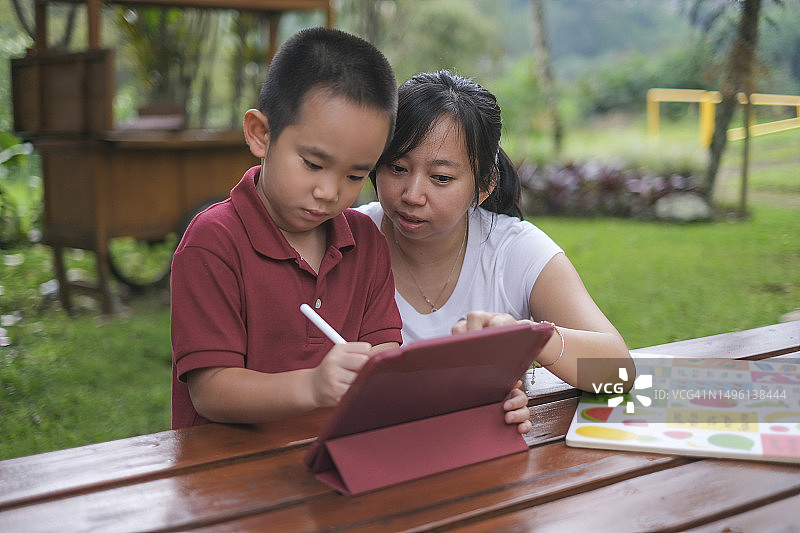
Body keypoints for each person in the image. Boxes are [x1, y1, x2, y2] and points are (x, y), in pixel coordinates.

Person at [169, 28, 403, 429]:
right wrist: (312, 387)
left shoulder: (364, 240)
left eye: (354, 175)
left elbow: (384, 354)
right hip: (229, 474)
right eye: (313, 164)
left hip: (333, 460)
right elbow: (211, 390)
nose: (328, 191)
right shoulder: (214, 241)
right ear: (261, 134)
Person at [357, 70, 634, 397]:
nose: (412, 195)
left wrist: (528, 338)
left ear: (484, 186)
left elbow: (618, 375)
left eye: (441, 178)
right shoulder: (346, 240)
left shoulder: (517, 252)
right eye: (398, 168)